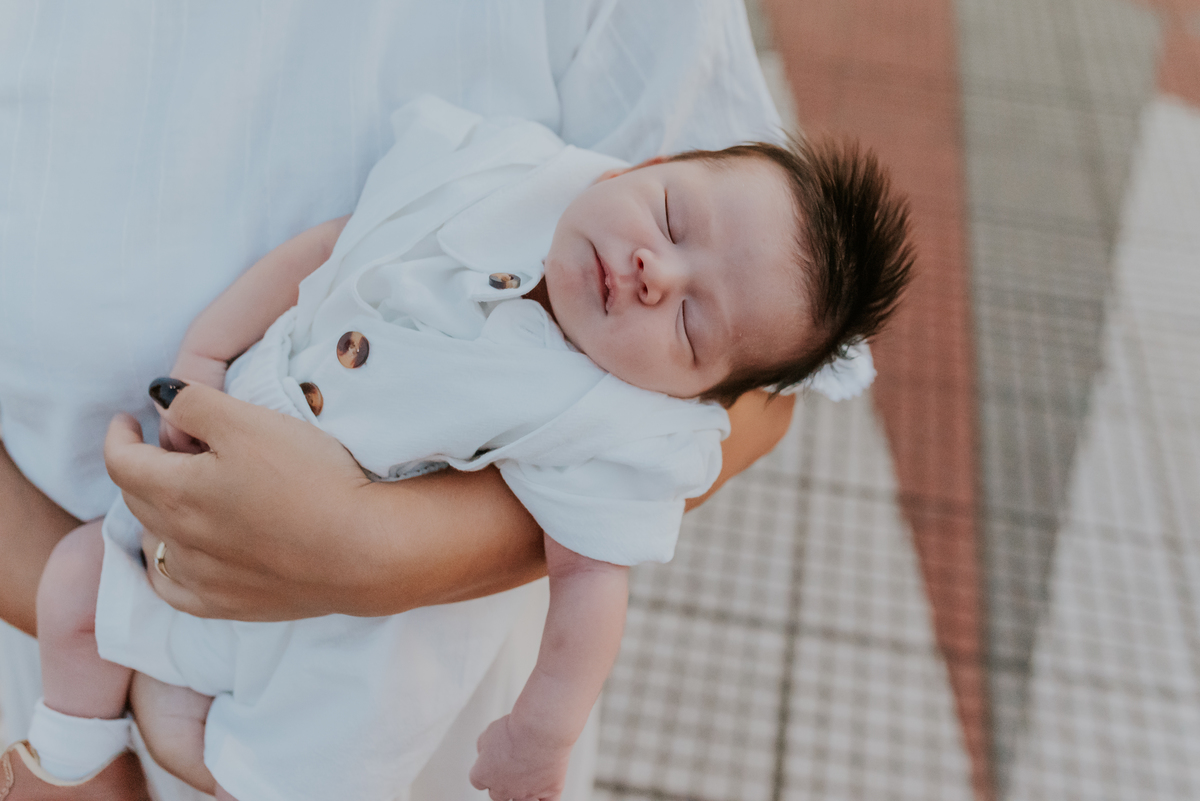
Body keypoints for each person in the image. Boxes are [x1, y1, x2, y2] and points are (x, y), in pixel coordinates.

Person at [6, 95, 911, 801]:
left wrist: (543, 732)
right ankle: (75, 753)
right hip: (178, 502)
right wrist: (207, 352)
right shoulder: (502, 176)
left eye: (690, 321)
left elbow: (594, 582)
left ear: (693, 394)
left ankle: (203, 750)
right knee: (78, 580)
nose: (654, 272)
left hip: (330, 633)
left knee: (297, 758)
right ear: (650, 163)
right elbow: (327, 252)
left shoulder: (613, 418)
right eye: (673, 219)